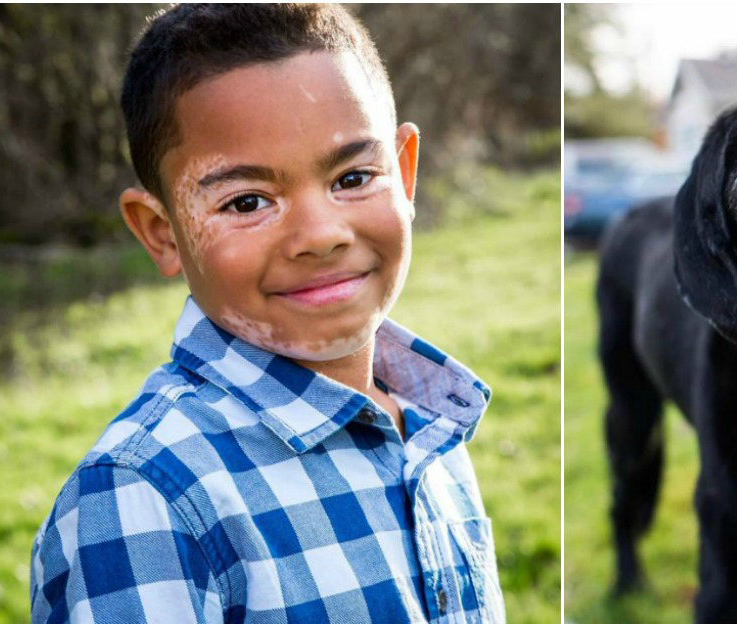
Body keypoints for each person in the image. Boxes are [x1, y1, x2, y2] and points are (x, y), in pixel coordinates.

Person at [29, 4, 503, 622]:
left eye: (354, 177)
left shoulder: (429, 431)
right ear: (163, 233)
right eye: (248, 200)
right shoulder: (143, 497)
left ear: (405, 173)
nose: (320, 234)